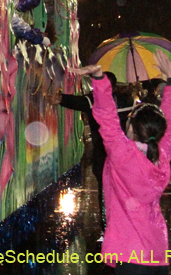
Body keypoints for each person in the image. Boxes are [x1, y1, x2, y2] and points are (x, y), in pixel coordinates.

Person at [71, 52, 171, 275]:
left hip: (130, 254)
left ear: (130, 126)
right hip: (158, 252)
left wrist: (99, 78)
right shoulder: (162, 154)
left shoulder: (123, 155)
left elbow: (107, 117)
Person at [48, 71, 133, 231]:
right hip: (125, 154)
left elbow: (81, 102)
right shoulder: (126, 100)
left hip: (104, 154)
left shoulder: (95, 100)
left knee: (105, 190)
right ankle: (124, 224)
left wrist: (60, 99)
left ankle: (108, 227)